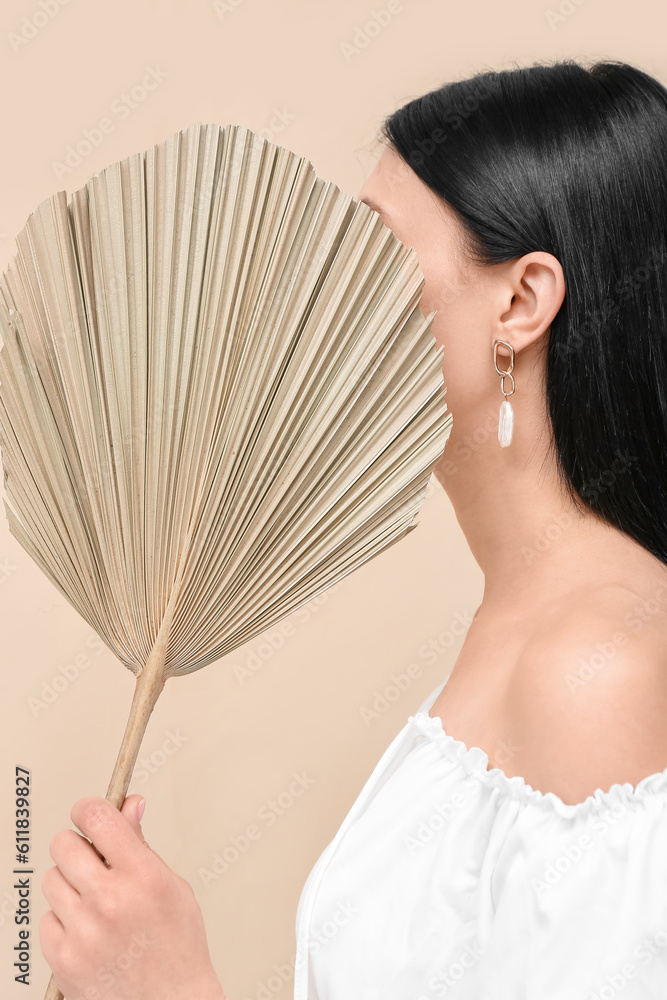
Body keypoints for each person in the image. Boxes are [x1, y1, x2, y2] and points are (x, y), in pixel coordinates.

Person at [40, 58, 667, 1000]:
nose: (326, 293)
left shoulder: (598, 665)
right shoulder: (520, 624)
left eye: (372, 251)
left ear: (520, 302)